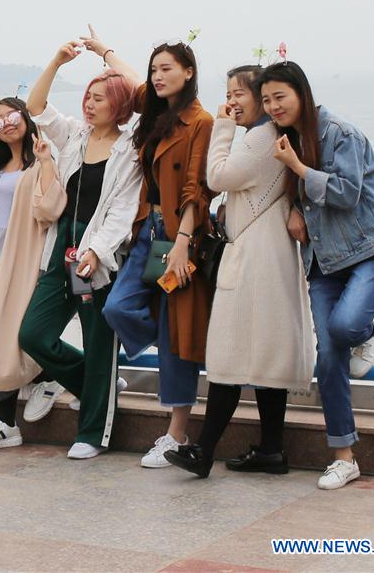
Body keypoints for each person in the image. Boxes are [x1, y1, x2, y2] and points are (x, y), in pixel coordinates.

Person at [164, 65, 316, 478]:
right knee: (265, 354)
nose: (231, 102)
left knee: (229, 351)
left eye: (239, 94)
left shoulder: (260, 138)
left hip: (254, 257)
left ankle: (203, 451)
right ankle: (270, 450)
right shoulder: (273, 136)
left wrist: (222, 129)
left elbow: (217, 176)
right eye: (229, 94)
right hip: (268, 254)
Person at [261, 61, 374, 490]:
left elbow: (346, 192)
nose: (273, 106)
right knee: (328, 357)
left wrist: (298, 168)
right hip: (323, 262)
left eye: (280, 97)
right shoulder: (286, 140)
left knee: (344, 328)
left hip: (372, 252)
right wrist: (293, 207)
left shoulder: (341, 133)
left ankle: (364, 328)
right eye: (266, 100)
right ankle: (344, 457)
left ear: (301, 93)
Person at [89, 34, 215, 468]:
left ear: (189, 72)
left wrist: (182, 244)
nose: (158, 77)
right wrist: (103, 51)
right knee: (118, 308)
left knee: (177, 335)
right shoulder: (157, 111)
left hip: (179, 236)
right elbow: (131, 78)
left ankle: (176, 433)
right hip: (148, 231)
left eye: (167, 69)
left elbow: (197, 188)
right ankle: (165, 338)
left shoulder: (200, 121)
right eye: (154, 69)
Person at [17, 37, 142, 460]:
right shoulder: (74, 134)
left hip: (96, 256)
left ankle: (92, 434)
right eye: (88, 96)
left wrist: (98, 251)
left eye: (99, 98)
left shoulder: (130, 150)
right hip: (62, 249)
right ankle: (97, 384)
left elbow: (122, 211)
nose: (89, 103)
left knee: (99, 342)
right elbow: (35, 106)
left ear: (119, 105)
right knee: (33, 334)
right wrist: (57, 61)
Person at [0, 97, 68, 452]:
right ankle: (44, 384)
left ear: (25, 117)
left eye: (11, 116)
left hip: (21, 255)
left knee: (0, 336)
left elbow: (50, 209)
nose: (6, 123)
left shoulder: (39, 161)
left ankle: (14, 417)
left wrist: (46, 161)